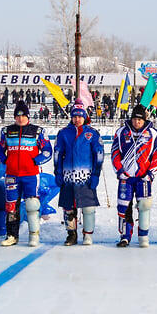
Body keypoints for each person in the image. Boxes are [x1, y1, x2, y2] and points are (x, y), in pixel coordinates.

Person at [0, 100, 52, 247]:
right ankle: (12, 236)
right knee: (11, 206)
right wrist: (7, 161)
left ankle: (34, 236)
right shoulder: (6, 131)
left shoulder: (38, 131)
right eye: (18, 116)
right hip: (12, 175)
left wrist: (36, 161)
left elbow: (47, 151)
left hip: (31, 175)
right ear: (14, 117)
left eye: (23, 115)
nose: (20, 118)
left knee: (32, 205)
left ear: (28, 116)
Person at [110, 104, 157, 248]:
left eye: (139, 120)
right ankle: (125, 236)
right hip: (126, 179)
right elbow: (115, 153)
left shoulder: (153, 133)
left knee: (144, 207)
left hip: (143, 178)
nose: (136, 122)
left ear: (144, 120)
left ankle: (143, 236)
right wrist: (120, 171)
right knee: (123, 207)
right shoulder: (121, 132)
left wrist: (151, 173)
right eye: (134, 119)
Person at [53, 101, 104, 246]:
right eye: (75, 116)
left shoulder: (92, 133)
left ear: (85, 117)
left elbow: (99, 154)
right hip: (68, 177)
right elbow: (57, 153)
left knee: (88, 207)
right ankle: (71, 234)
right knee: (69, 208)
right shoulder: (63, 133)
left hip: (85, 177)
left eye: (80, 116)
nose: (77, 119)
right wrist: (58, 172)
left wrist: (96, 174)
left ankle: (88, 235)